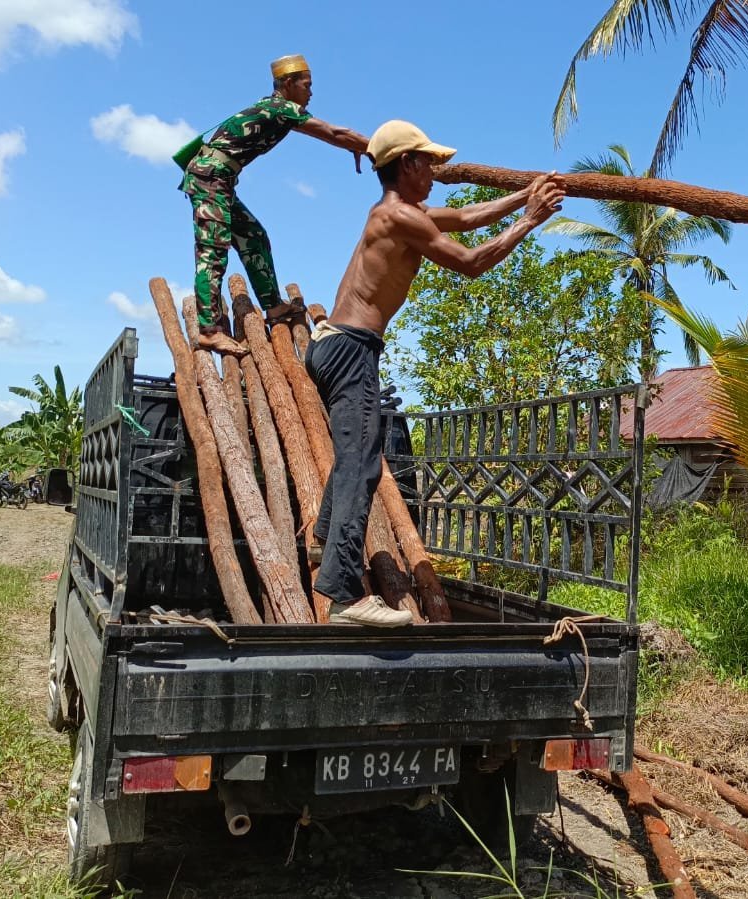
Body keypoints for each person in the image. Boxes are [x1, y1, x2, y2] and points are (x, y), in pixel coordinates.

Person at [311, 120, 564, 627]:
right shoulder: (399, 217)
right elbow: (471, 263)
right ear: (407, 164)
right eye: (427, 161)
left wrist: (521, 197)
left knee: (352, 456)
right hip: (352, 348)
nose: (435, 170)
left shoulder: (401, 213)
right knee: (362, 464)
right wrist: (530, 220)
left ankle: (323, 545)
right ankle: (342, 596)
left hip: (337, 344)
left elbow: (467, 217)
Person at [177, 54, 368, 354]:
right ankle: (209, 330)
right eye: (307, 85)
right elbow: (334, 133)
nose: (311, 92)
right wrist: (375, 148)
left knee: (254, 236)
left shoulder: (280, 111)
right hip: (210, 177)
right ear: (288, 84)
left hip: (219, 178)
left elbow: (334, 135)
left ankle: (273, 307)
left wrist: (355, 146)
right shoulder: (280, 108)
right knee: (212, 250)